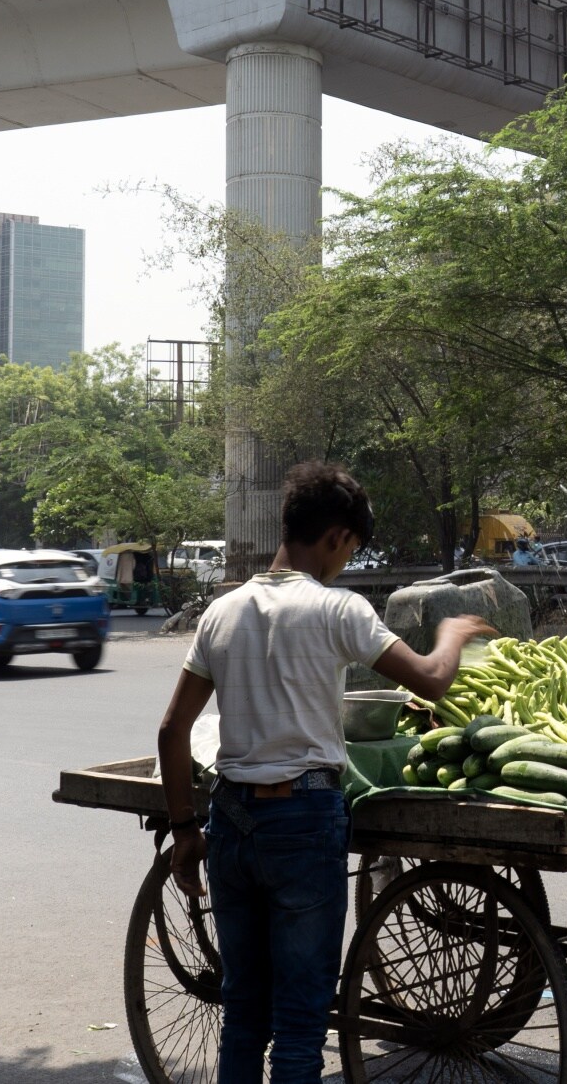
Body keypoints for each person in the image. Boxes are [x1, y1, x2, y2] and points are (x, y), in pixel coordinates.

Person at [155, 463, 494, 1084]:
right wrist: (452, 631)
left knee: (244, 1017)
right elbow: (431, 679)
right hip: (302, 823)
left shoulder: (221, 613)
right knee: (301, 1026)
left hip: (230, 822)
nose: (347, 563)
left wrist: (184, 831)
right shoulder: (340, 609)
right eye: (351, 551)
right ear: (337, 537)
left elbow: (173, 732)